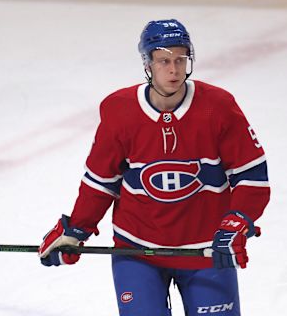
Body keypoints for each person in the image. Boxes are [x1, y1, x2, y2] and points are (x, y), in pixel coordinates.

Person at [38, 19, 270, 316]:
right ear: (147, 64)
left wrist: (237, 220)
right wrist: (77, 229)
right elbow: (101, 181)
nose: (173, 70)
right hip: (137, 252)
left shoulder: (218, 107)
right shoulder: (119, 110)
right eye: (163, 61)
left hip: (206, 251)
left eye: (180, 59)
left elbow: (252, 177)